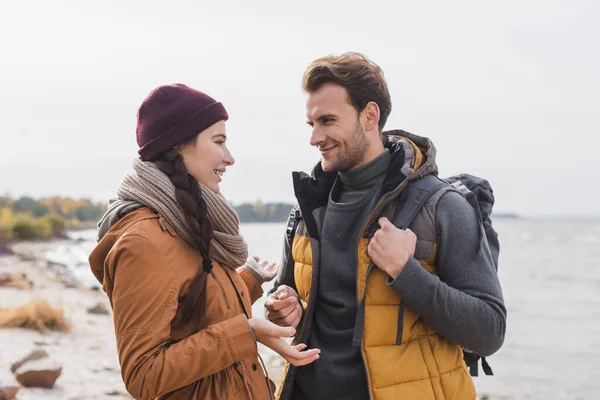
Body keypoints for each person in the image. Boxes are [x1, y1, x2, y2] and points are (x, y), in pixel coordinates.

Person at [265, 53, 507, 400]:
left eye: (328, 120)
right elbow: (286, 302)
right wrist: (284, 307)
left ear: (369, 116)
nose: (315, 137)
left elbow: (489, 332)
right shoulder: (307, 208)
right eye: (311, 124)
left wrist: (405, 271)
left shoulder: (443, 207)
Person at [89, 84, 320, 400]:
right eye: (219, 142)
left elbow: (188, 307)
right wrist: (246, 331)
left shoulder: (187, 220)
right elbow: (143, 375)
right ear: (178, 146)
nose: (230, 157)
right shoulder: (143, 244)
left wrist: (249, 281)